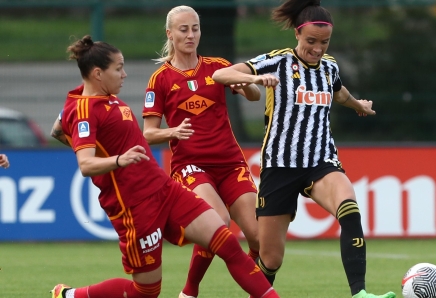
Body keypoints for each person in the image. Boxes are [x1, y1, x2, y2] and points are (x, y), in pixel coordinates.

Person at [49, 35, 279, 298]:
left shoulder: (101, 98)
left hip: (165, 190)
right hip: (134, 206)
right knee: (145, 292)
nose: (124, 74)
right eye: (118, 68)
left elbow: (58, 128)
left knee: (227, 244)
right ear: (98, 74)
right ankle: (70, 295)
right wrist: (118, 160)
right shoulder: (84, 110)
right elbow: (86, 164)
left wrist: (67, 127)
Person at [212, 1, 396, 297]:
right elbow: (221, 75)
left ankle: (360, 293)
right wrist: (254, 78)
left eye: (324, 42)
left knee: (348, 207)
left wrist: (358, 105)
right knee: (270, 259)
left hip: (320, 161)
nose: (318, 48)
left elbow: (339, 92)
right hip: (280, 167)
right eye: (311, 41)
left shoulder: (330, 67)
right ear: (298, 35)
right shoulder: (279, 62)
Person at [141, 6, 272, 298]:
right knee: (219, 221)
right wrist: (171, 132)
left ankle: (256, 289)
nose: (190, 35)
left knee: (258, 238)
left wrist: (249, 83)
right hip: (191, 166)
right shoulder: (160, 79)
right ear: (170, 34)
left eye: (195, 28)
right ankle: (190, 291)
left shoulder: (218, 67)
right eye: (183, 29)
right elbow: (148, 134)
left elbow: (252, 97)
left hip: (230, 163)